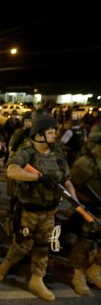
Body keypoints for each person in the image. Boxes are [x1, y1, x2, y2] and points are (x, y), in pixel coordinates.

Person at [0, 114, 77, 301]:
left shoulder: (57, 153)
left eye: (54, 131)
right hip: (28, 212)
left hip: (49, 211)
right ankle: (7, 264)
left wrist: (74, 201)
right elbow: (11, 170)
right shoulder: (27, 151)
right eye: (50, 132)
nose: (54, 135)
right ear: (39, 134)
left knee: (43, 247)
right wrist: (38, 177)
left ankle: (37, 279)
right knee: (22, 246)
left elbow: (67, 179)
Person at [67, 126, 101, 295]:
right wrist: (84, 203)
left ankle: (95, 269)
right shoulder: (86, 163)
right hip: (91, 209)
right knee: (86, 242)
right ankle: (78, 274)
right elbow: (71, 185)